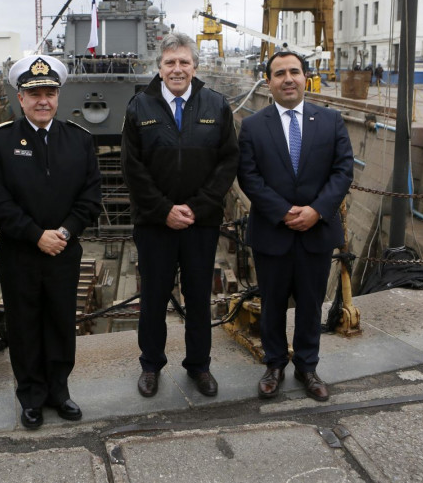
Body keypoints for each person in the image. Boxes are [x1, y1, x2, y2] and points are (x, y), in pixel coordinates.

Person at [0, 55, 101, 429]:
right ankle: (31, 396)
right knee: (24, 326)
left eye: (49, 92)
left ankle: (59, 392)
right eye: (34, 93)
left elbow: (90, 198)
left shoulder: (79, 140)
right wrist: (36, 235)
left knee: (61, 322)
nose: (42, 100)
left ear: (58, 96)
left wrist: (63, 233)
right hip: (20, 254)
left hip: (64, 252)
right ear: (20, 98)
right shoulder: (1, 141)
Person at [121, 32, 239, 398]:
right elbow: (132, 167)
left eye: (183, 62)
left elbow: (227, 162)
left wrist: (198, 207)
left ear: (195, 67)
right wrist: (163, 210)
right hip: (155, 224)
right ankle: (151, 366)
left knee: (199, 297)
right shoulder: (139, 107)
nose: (177, 69)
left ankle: (199, 366)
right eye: (170, 63)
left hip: (200, 224)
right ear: (159, 67)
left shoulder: (216, 105)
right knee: (153, 299)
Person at [237, 51, 354, 402]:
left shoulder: (331, 120)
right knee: (272, 303)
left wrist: (317, 210)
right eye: (279, 73)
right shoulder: (253, 126)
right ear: (268, 81)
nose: (288, 79)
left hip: (316, 232)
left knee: (310, 303)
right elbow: (249, 176)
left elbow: (343, 170)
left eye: (294, 72)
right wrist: (285, 211)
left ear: (306, 77)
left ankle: (307, 367)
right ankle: (274, 365)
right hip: (273, 232)